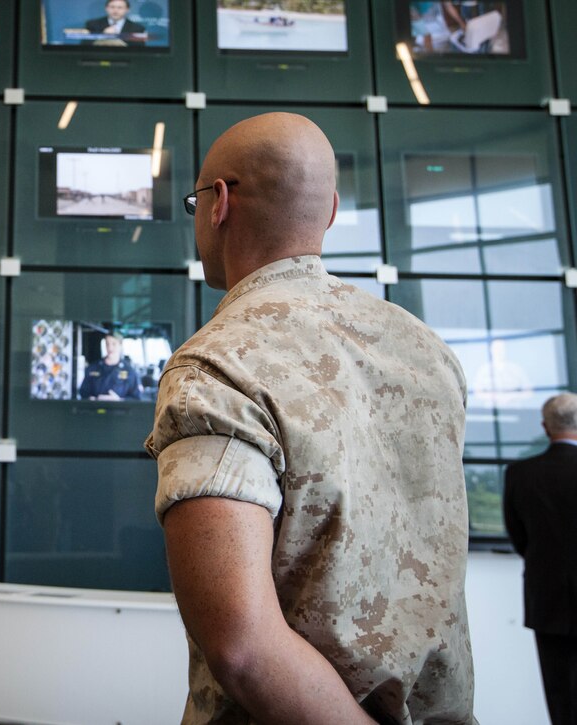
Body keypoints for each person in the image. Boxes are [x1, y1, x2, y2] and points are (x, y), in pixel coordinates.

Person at [145, 112, 474, 724]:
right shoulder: (427, 352)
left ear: (217, 203)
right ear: (328, 213)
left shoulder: (218, 368)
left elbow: (244, 649)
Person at [503, 393, 577, 725]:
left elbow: (519, 538)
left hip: (547, 599)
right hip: (549, 600)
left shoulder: (520, 473)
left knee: (560, 694)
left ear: (546, 427)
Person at [78, 332, 142, 401]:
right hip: (95, 409)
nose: (110, 347)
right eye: (107, 344)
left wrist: (119, 400)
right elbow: (83, 392)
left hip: (119, 410)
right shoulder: (93, 368)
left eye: (114, 344)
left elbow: (136, 398)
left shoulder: (130, 371)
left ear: (120, 345)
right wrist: (91, 399)